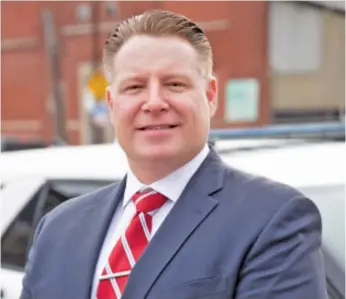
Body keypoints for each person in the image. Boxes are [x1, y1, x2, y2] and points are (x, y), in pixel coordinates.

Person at [20, 9, 328, 299]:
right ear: (112, 104)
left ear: (209, 96)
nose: (154, 102)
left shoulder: (272, 218)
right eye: (134, 87)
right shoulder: (57, 229)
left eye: (174, 84)